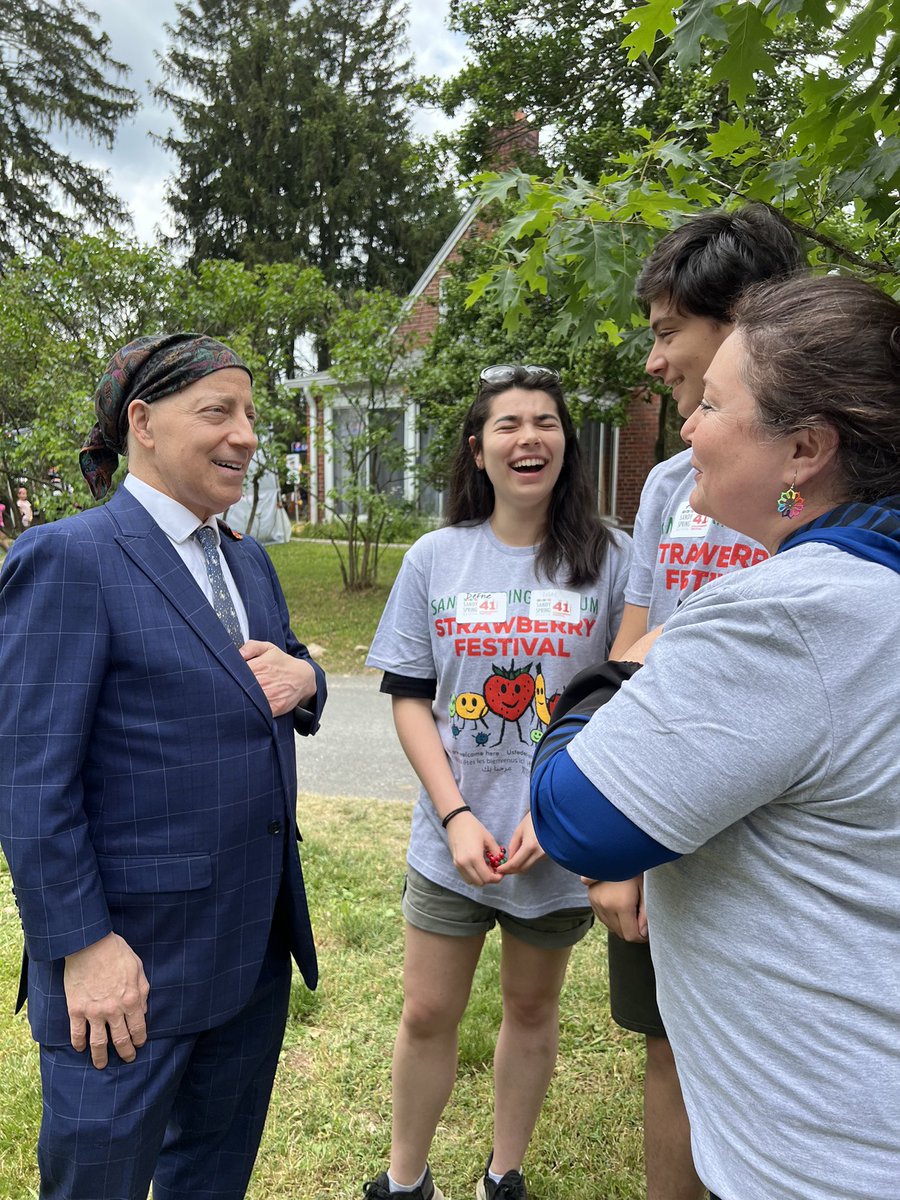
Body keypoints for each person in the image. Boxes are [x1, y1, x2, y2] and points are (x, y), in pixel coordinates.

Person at [531, 275, 900, 1200]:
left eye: (713, 405)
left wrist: (620, 672)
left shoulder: (796, 614)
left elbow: (576, 815)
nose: (688, 426)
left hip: (827, 1157)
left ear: (805, 449)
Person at [0, 333, 327, 1200]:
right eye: (218, 411)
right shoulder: (70, 558)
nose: (246, 434)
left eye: (250, 413)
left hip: (250, 951)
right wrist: (82, 947)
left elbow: (284, 664)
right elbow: (29, 781)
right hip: (126, 972)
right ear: (142, 423)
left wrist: (309, 680)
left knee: (212, 1180)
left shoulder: (247, 559)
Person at [362, 365, 632, 1200]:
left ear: (566, 445)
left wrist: (560, 815)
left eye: (546, 422)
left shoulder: (612, 559)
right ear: (478, 451)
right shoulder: (435, 557)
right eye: (509, 425)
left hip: (555, 838)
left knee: (533, 1010)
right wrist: (453, 816)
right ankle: (406, 1181)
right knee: (426, 1012)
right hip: (453, 838)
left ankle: (502, 1174)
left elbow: (626, 697)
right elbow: (410, 697)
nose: (529, 438)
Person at [603, 202, 803, 1200]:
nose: (655, 361)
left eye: (668, 332)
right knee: (671, 1049)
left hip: (792, 844)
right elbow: (631, 647)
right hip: (671, 827)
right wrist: (621, 842)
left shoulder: (837, 485)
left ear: (746, 326)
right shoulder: (668, 485)